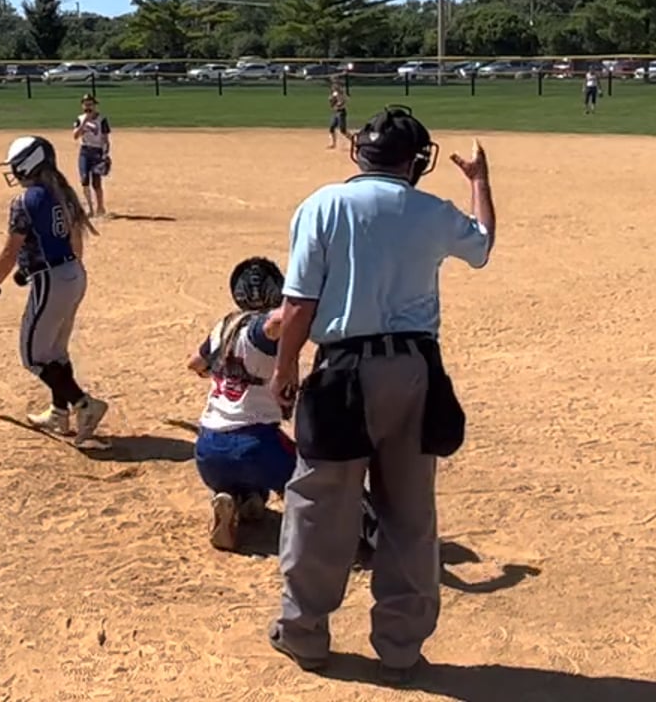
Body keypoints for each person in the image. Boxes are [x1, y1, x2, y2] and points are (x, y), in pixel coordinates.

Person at [267, 105, 496, 682]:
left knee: (319, 506)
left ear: (359, 152)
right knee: (409, 513)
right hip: (416, 372)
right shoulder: (431, 210)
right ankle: (400, 649)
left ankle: (305, 633)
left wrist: (286, 367)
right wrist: (479, 182)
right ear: (416, 161)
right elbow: (482, 245)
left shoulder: (324, 204)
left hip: (343, 371)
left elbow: (298, 304)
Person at [0, 135, 110, 443]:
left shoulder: (24, 201)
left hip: (52, 280)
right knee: (55, 352)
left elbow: (10, 250)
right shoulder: (63, 193)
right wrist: (40, 270)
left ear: (28, 164)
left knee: (33, 356)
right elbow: (73, 243)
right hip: (73, 274)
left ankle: (84, 404)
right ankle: (58, 413)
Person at [189, 257, 295, 552]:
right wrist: (303, 301)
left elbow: (194, 363)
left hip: (208, 451)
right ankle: (307, 525)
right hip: (256, 445)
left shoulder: (225, 325)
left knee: (241, 473)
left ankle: (234, 499)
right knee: (306, 477)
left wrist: (218, 371)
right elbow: (275, 322)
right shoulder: (260, 328)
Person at [72, 95, 111, 217]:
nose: (88, 107)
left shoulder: (102, 119)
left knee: (96, 183)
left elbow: (105, 139)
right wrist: (84, 122)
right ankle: (90, 209)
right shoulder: (80, 119)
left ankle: (100, 207)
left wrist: (105, 154)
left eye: (90, 104)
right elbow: (75, 136)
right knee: (84, 181)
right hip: (84, 152)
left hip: (97, 152)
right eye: (86, 104)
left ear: (95, 106)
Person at [327, 79, 349, 148]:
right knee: (331, 128)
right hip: (335, 112)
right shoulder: (334, 93)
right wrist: (332, 101)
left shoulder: (341, 92)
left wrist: (337, 103)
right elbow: (331, 102)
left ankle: (353, 141)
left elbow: (343, 101)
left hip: (341, 112)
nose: (333, 86)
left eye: (335, 84)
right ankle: (333, 144)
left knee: (343, 130)